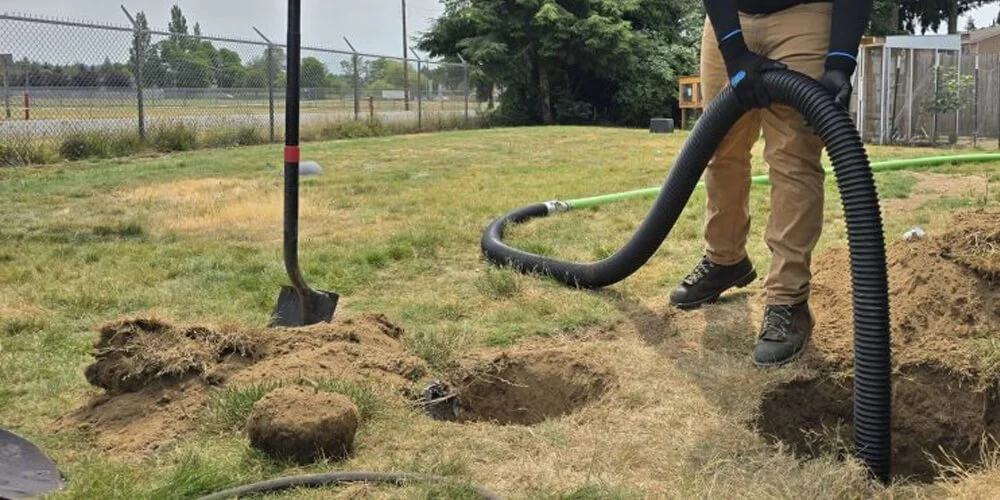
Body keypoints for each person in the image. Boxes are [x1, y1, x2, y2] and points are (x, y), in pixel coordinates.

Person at [669, 0, 873, 367]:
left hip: (805, 13)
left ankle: (787, 300)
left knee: (793, 157)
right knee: (719, 147)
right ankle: (724, 259)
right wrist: (732, 49)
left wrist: (840, 61)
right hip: (731, 15)